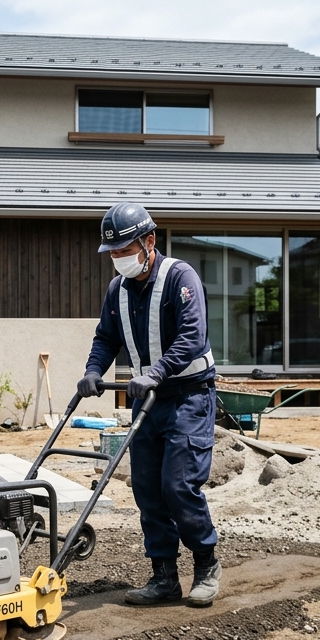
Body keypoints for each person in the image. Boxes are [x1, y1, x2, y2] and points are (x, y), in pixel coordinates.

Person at [76, 202, 221, 607]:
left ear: (149, 241)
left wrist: (156, 372)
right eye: (114, 254)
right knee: (147, 490)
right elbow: (106, 337)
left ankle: (207, 564)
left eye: (125, 250)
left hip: (188, 396)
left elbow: (192, 336)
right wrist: (92, 371)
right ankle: (164, 578)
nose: (120, 259)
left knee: (178, 485)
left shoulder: (180, 278)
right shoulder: (117, 290)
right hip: (148, 401)